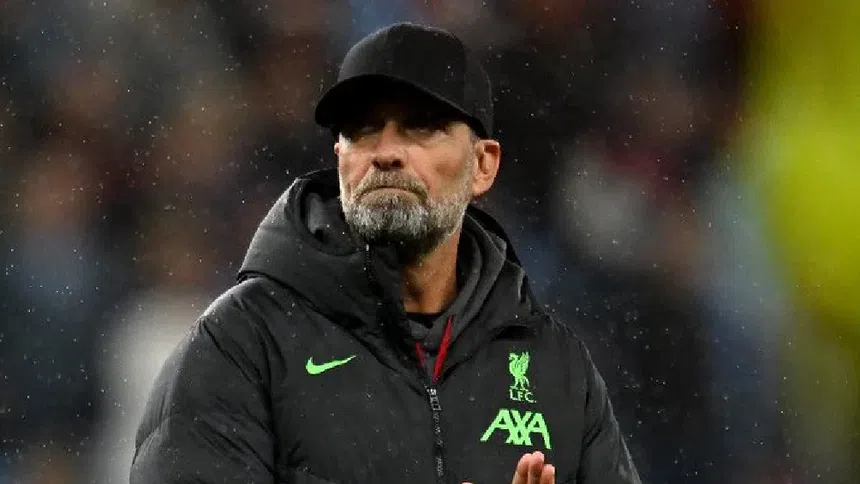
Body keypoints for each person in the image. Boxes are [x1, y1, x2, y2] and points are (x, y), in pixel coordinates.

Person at [130, 22, 642, 484]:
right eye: (363, 129)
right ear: (339, 157)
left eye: (421, 126)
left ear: (483, 166)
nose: (386, 152)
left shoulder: (557, 369)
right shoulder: (242, 344)